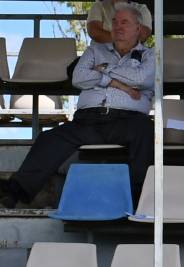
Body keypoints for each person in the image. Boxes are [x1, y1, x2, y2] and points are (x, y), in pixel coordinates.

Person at [0, 3, 154, 208]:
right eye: (115, 22)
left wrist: (102, 71)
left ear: (138, 28)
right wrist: (113, 81)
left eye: (124, 22)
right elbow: (78, 77)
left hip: (127, 120)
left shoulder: (150, 55)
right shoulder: (94, 50)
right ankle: (15, 192)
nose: (117, 26)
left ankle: (139, 200)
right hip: (89, 120)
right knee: (49, 138)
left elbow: (139, 78)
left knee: (144, 130)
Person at [86, 0, 152, 44]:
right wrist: (126, 41)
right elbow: (95, 32)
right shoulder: (98, 6)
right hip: (100, 57)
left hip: (132, 58)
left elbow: (143, 35)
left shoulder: (142, 9)